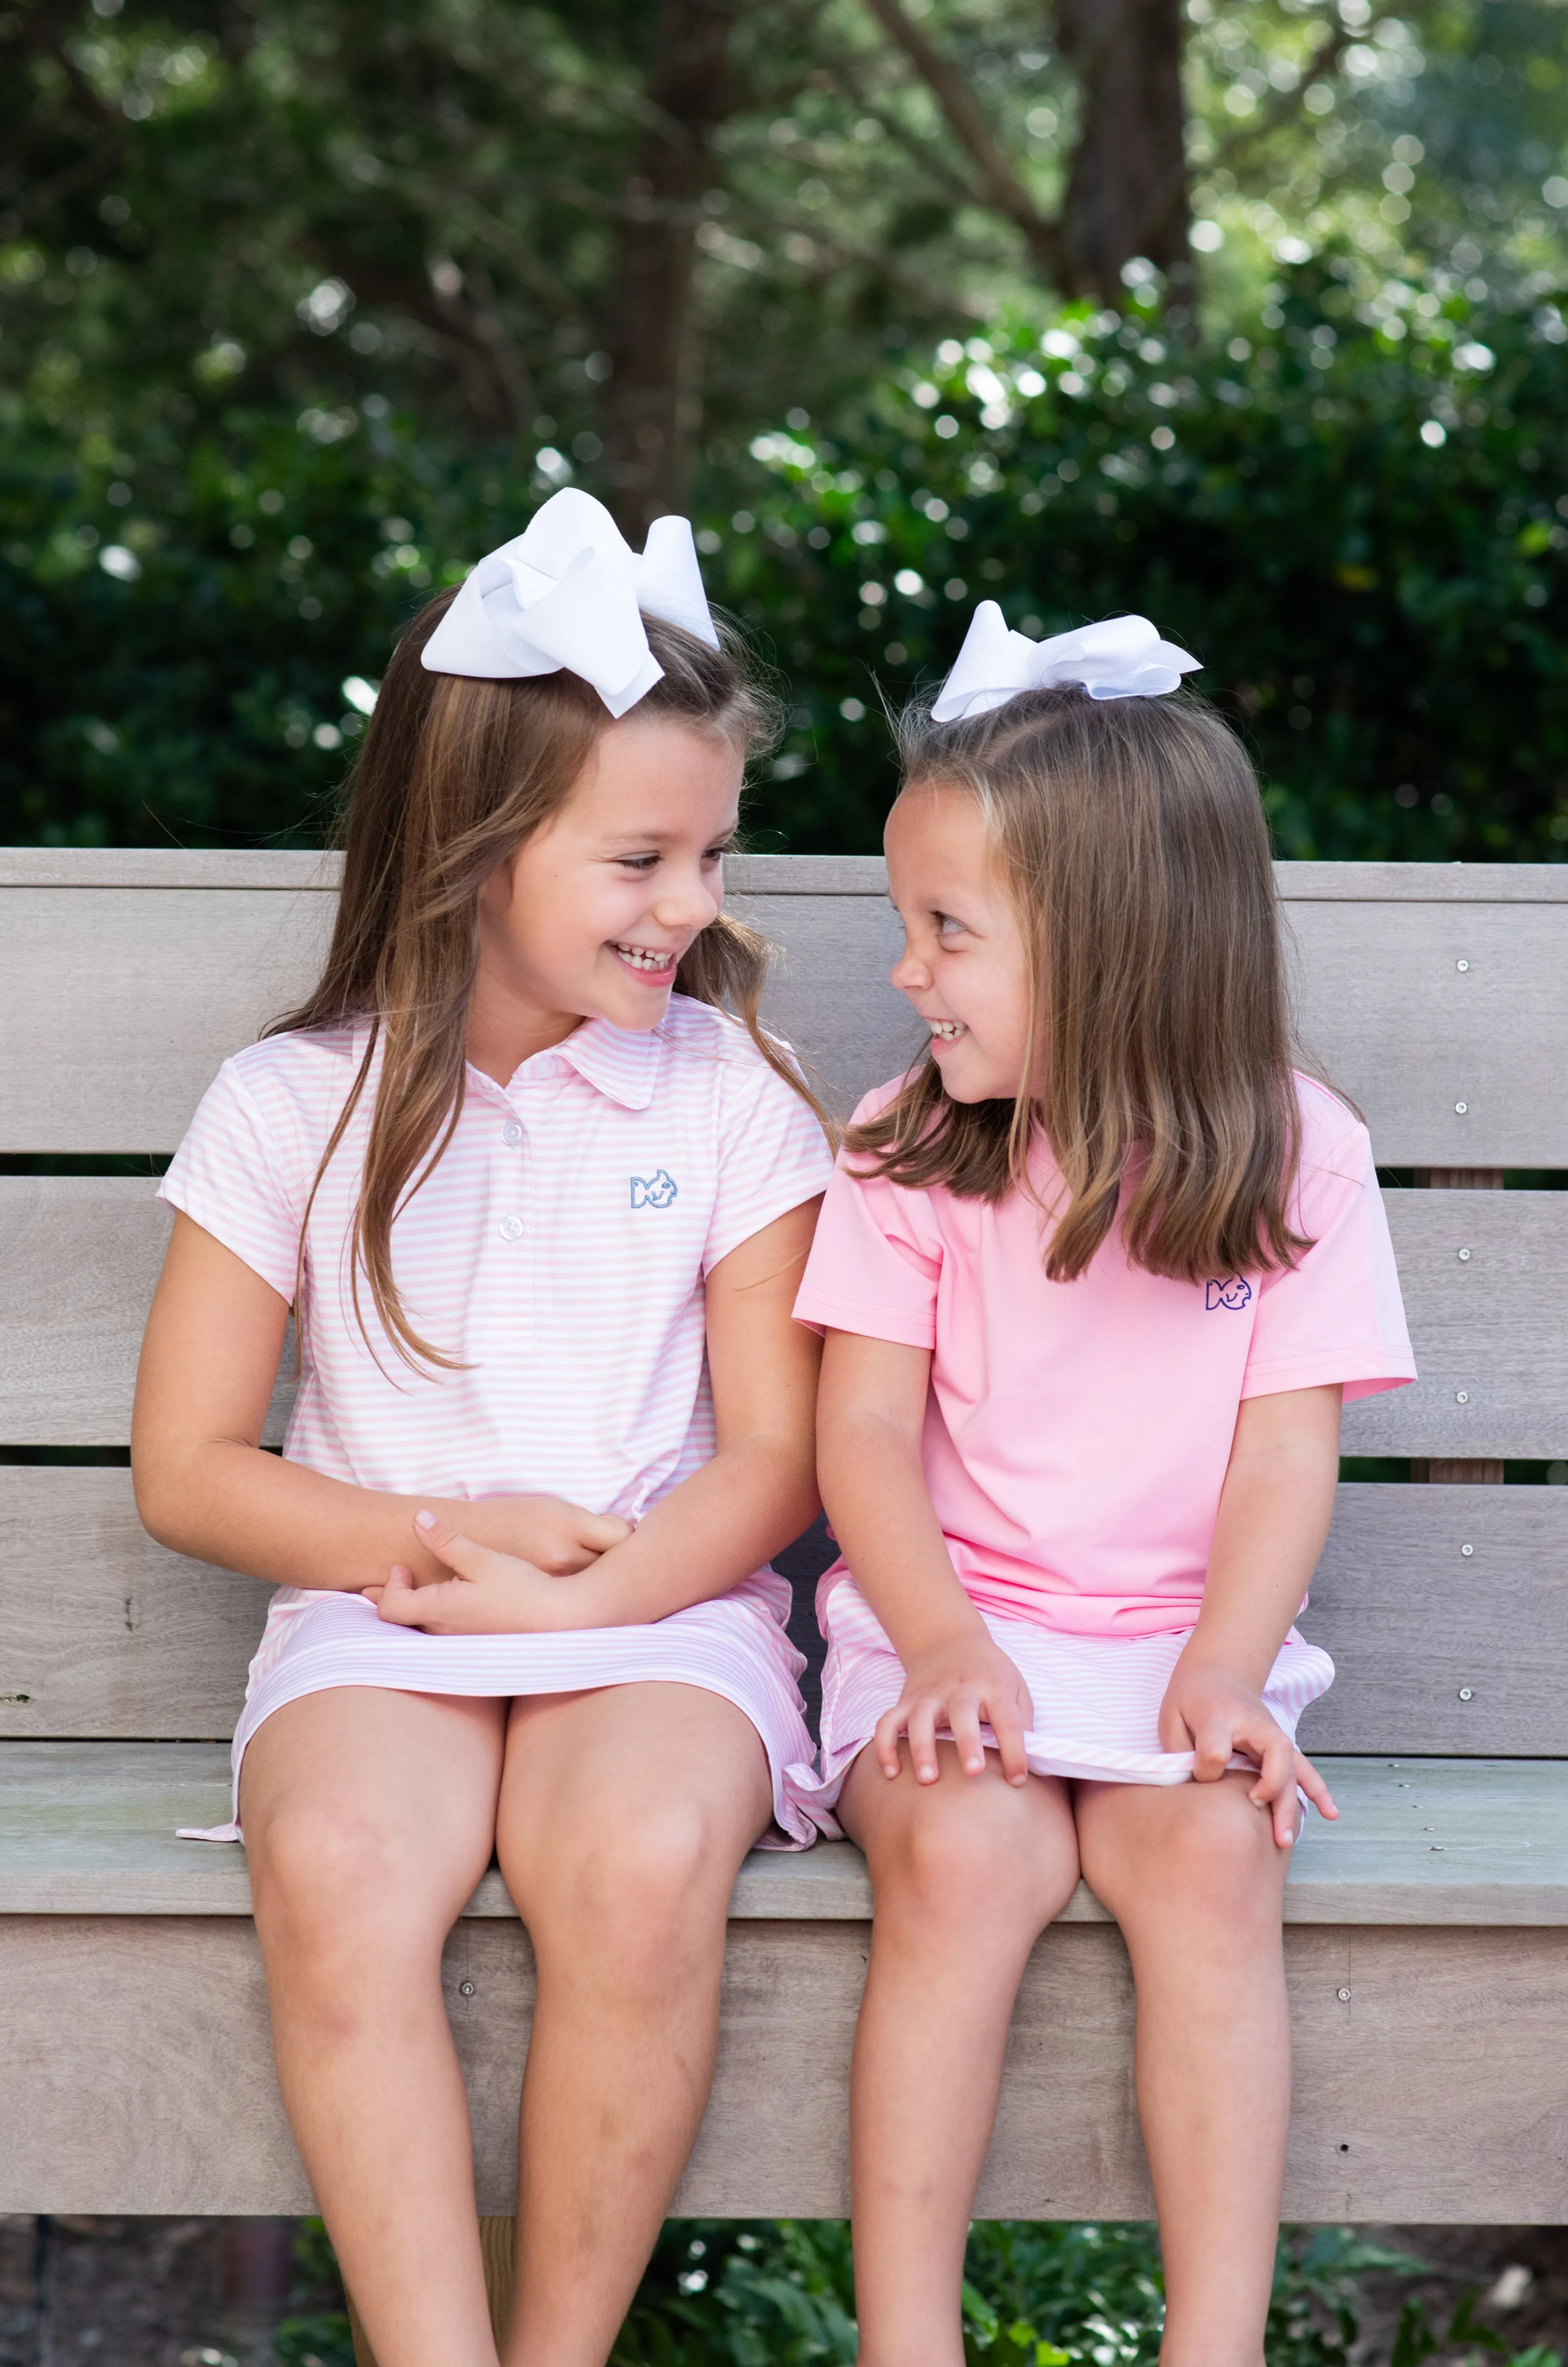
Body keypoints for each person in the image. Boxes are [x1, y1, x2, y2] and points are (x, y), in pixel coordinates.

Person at [131, 490, 835, 2367]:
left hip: (664, 1608)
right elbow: (189, 1467)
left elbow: (774, 1462)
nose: (691, 906)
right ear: (471, 847)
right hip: (394, 1607)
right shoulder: (297, 1102)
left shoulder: (735, 1095)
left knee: (634, 1864)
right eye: (639, 860)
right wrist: (444, 1544)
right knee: (345, 1867)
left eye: (710, 853)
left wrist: (584, 1608)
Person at [791, 607, 1416, 2367]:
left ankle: (1210, 2348)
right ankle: (903, 2343)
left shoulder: (1299, 1152)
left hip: (1175, 1647)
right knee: (970, 1864)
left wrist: (1222, 1669)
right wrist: (933, 1644)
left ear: (1111, 939)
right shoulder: (906, 1144)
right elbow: (858, 1440)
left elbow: (1285, 1444)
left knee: (1213, 1866)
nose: (909, 974)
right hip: (946, 1632)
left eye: (946, 933)